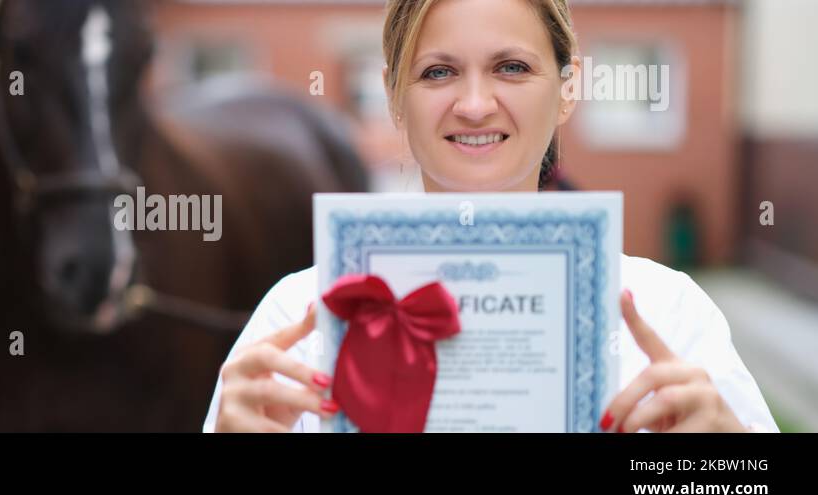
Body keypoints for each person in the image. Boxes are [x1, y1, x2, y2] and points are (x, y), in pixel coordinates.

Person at [203, 0, 777, 433]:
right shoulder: (299, 322)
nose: (475, 105)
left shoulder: (668, 314)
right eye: (437, 72)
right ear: (393, 96)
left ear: (568, 87)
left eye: (511, 67)